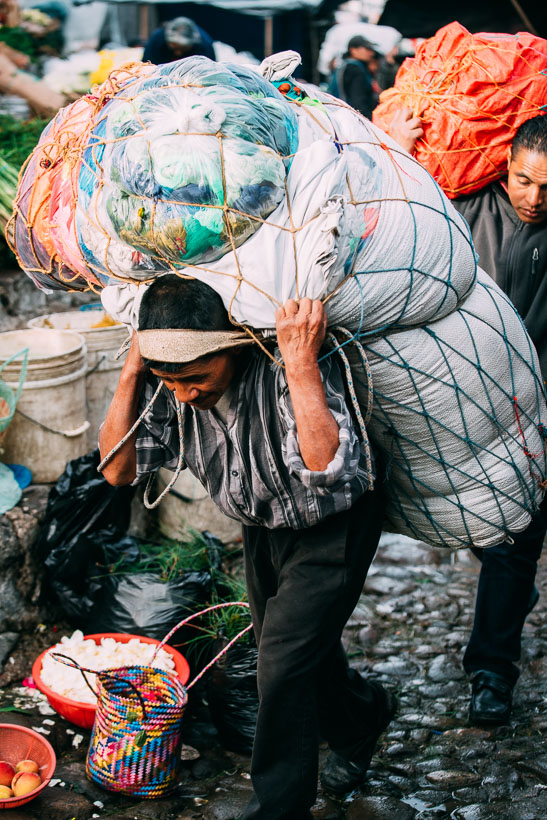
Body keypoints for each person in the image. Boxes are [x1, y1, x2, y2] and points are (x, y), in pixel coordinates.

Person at [99, 274, 396, 817]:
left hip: (331, 526)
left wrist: (302, 363)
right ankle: (364, 716)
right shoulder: (173, 386)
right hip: (262, 526)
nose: (185, 392)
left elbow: (325, 469)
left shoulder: (285, 363)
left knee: (280, 664)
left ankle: (278, 808)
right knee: (298, 650)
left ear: (230, 347)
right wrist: (137, 368)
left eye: (194, 376)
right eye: (171, 380)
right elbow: (119, 470)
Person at [388, 110, 547, 725]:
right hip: (463, 407)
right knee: (488, 536)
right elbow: (402, 208)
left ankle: (491, 672)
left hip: (536, 418)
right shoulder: (466, 206)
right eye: (523, 179)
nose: (533, 198)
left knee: (513, 544)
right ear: (503, 167)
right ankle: (510, 596)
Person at [329, 34, 380, 118]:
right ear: (353, 50)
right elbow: (358, 102)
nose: (371, 53)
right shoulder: (354, 69)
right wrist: (369, 121)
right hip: (351, 119)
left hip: (339, 116)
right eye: (367, 49)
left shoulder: (344, 65)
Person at [143, 16, 215, 66]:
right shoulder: (156, 40)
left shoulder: (205, 45)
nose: (178, 53)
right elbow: (146, 66)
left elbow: (209, 71)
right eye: (174, 47)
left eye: (183, 48)